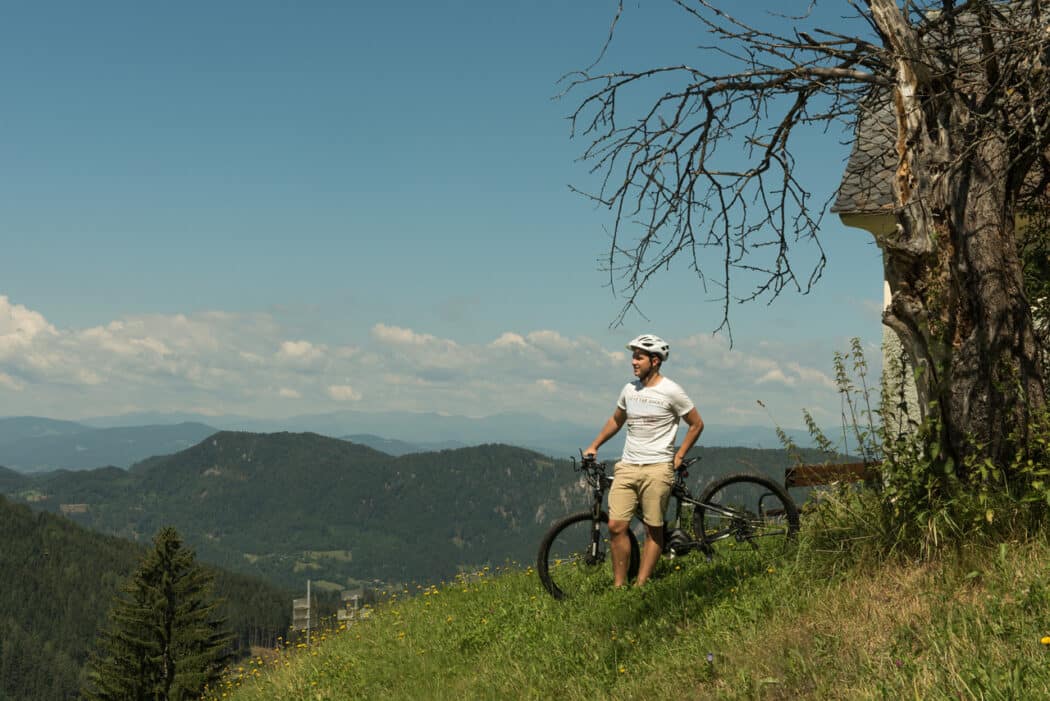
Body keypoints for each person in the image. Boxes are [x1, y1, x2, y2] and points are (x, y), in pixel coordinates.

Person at [584, 334, 704, 587]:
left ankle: (641, 584)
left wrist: (679, 455)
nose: (633, 362)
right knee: (616, 526)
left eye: (639, 357)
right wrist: (595, 445)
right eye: (633, 356)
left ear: (655, 360)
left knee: (653, 529)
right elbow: (616, 420)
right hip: (627, 466)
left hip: (657, 468)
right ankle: (619, 586)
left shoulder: (671, 390)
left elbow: (696, 424)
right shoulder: (629, 389)